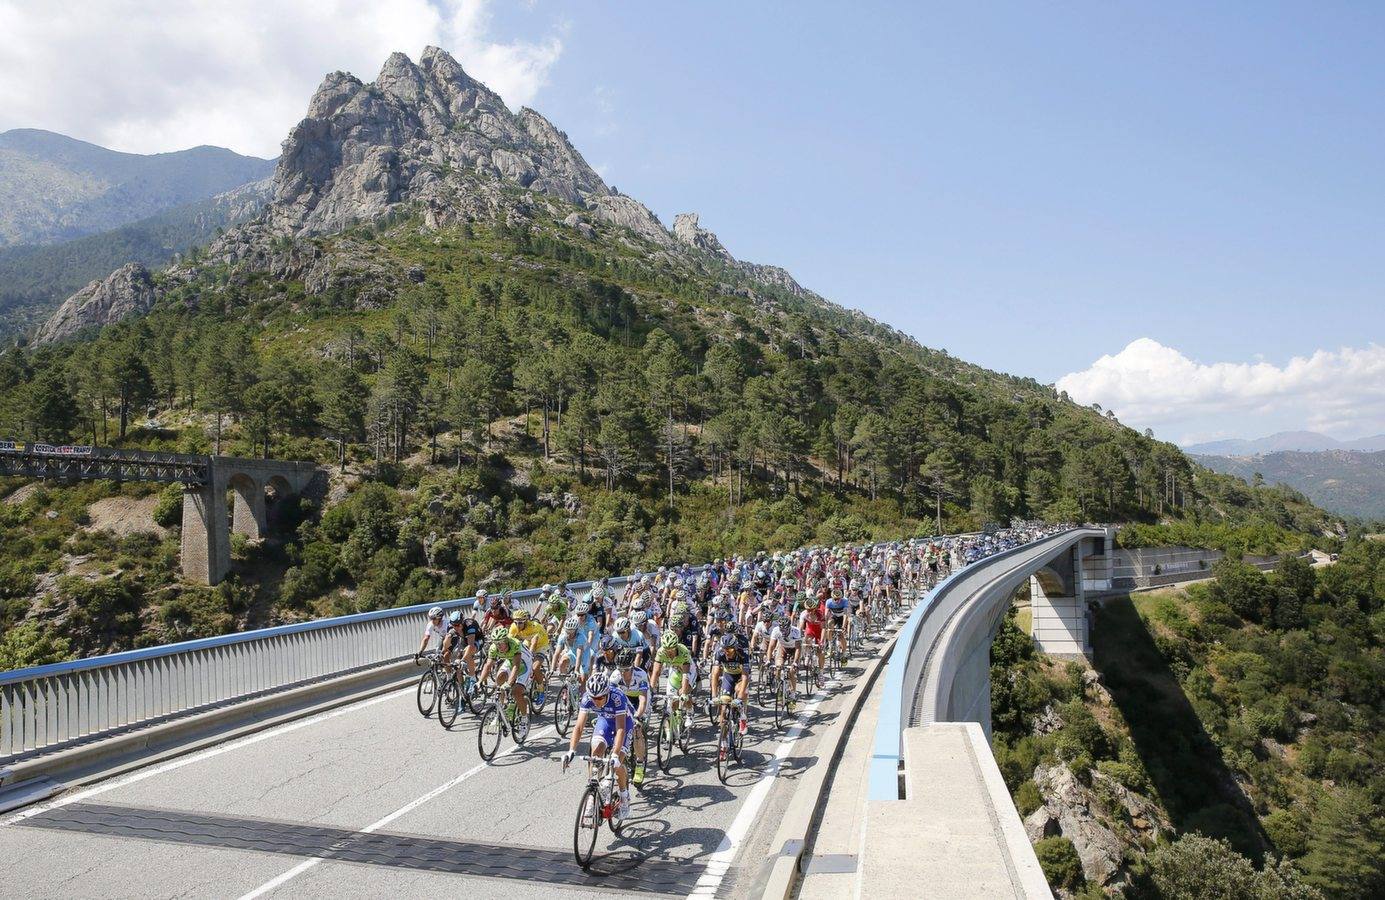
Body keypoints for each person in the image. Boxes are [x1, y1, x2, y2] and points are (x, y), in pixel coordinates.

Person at [563, 671, 633, 819]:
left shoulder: (617, 697)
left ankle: (624, 796)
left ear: (607, 693)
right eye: (593, 698)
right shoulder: (588, 697)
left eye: (600, 698)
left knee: (617, 763)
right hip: (605, 721)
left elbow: (621, 728)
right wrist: (571, 751)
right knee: (596, 753)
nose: (596, 701)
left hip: (623, 724)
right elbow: (579, 727)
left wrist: (615, 754)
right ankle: (592, 794)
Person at [477, 626, 532, 735]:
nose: (499, 646)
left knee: (516, 692)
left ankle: (524, 720)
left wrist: (509, 684)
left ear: (506, 641)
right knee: (499, 678)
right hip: (510, 661)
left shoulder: (514, 644)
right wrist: (479, 682)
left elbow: (516, 666)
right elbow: (488, 666)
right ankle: (501, 711)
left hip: (524, 664)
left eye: (501, 643)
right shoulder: (493, 648)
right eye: (496, 643)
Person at [615, 650, 651, 785]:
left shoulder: (640, 675)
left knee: (637, 729)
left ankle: (640, 764)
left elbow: (643, 700)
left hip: (639, 699)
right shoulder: (615, 676)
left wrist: (637, 716)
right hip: (625, 698)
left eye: (626, 670)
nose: (623, 673)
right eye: (620, 669)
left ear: (632, 666)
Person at [708, 633, 750, 747]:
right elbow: (715, 674)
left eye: (730, 649)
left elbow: (745, 676)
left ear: (735, 648)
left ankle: (742, 716)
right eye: (724, 649)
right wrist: (714, 696)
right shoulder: (719, 653)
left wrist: (740, 698)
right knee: (724, 707)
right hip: (729, 677)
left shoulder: (743, 653)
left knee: (742, 691)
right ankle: (723, 743)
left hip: (741, 677)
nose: (727, 652)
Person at [509, 607, 551, 706]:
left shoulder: (534, 626)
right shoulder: (513, 626)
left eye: (520, 623)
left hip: (541, 644)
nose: (518, 625)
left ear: (526, 621)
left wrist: (530, 657)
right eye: (516, 622)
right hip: (528, 641)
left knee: (534, 667)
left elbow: (534, 643)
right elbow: (510, 641)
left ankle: (541, 689)